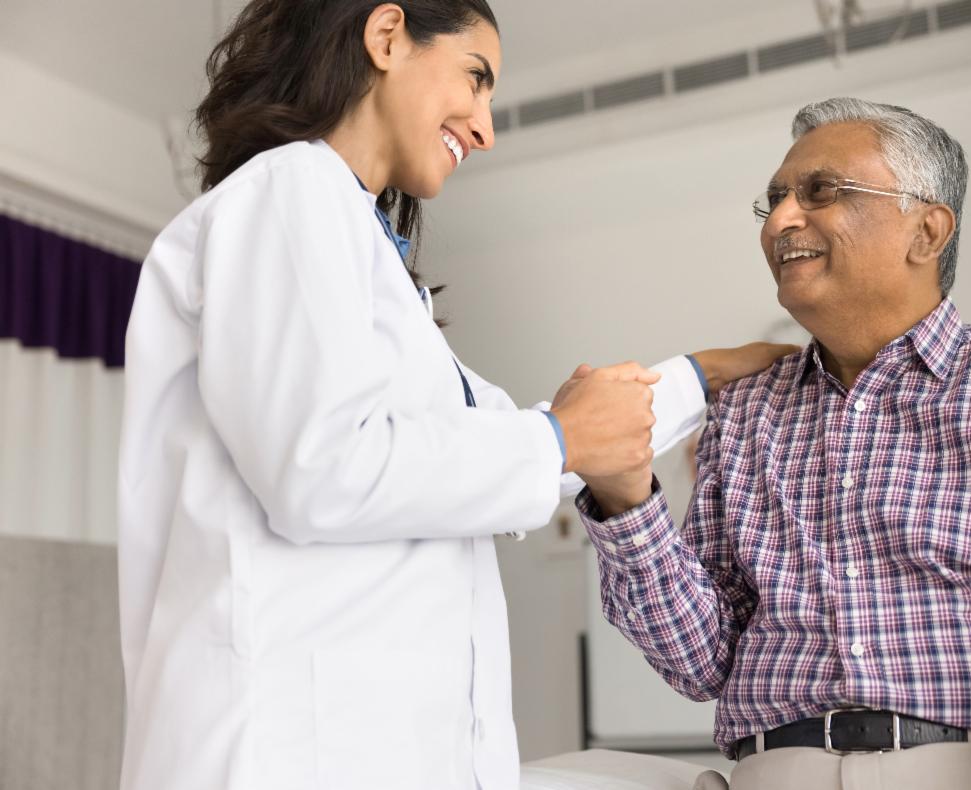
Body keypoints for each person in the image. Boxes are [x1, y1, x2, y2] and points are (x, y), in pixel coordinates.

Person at [115, 2, 793, 789]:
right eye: (475, 78)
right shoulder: (291, 190)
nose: (484, 127)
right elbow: (323, 467)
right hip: (285, 751)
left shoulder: (358, 250)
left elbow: (495, 455)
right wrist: (561, 439)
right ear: (386, 35)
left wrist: (700, 377)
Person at [575, 97, 971, 790]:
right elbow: (703, 665)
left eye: (821, 192)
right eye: (774, 200)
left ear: (927, 230)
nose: (780, 220)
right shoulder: (744, 412)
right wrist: (627, 504)